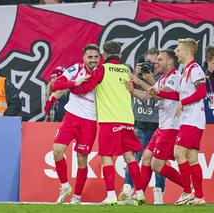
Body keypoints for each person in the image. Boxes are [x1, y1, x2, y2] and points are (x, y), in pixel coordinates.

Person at [71, 41, 146, 205]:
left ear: (104, 55)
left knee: (106, 158)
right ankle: (139, 193)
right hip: (127, 120)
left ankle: (111, 196)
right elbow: (132, 90)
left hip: (109, 121)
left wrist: (72, 87)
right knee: (130, 157)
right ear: (120, 54)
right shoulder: (127, 70)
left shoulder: (101, 69)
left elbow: (86, 88)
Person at [148, 38, 207, 206]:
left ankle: (188, 192)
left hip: (193, 119)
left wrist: (184, 102)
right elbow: (177, 95)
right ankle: (199, 196)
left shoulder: (195, 69)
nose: (177, 52)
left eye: (179, 50)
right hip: (188, 120)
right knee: (192, 157)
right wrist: (158, 92)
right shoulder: (185, 71)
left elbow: (202, 91)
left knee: (178, 153)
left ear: (187, 52)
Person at [126, 49, 183, 198]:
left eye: (159, 60)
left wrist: (139, 81)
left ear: (170, 61)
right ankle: (137, 196)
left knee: (157, 166)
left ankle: (189, 187)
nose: (156, 63)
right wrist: (132, 90)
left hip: (171, 127)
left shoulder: (175, 77)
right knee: (146, 158)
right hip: (162, 126)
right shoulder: (163, 78)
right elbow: (146, 96)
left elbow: (161, 95)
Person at [51, 44, 100, 204]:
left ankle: (77, 197)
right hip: (71, 117)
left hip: (90, 121)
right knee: (57, 151)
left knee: (82, 159)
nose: (93, 60)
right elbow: (56, 84)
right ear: (84, 58)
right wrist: (74, 83)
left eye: (96, 57)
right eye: (90, 57)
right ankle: (65, 186)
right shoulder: (75, 69)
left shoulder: (102, 73)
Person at [118, 47, 166, 205]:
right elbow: (125, 89)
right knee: (134, 158)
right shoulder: (133, 75)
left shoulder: (164, 77)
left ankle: (159, 192)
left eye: (154, 63)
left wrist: (144, 79)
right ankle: (127, 191)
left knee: (158, 161)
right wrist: (137, 75)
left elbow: (158, 95)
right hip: (139, 122)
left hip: (159, 124)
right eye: (147, 63)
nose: (151, 66)